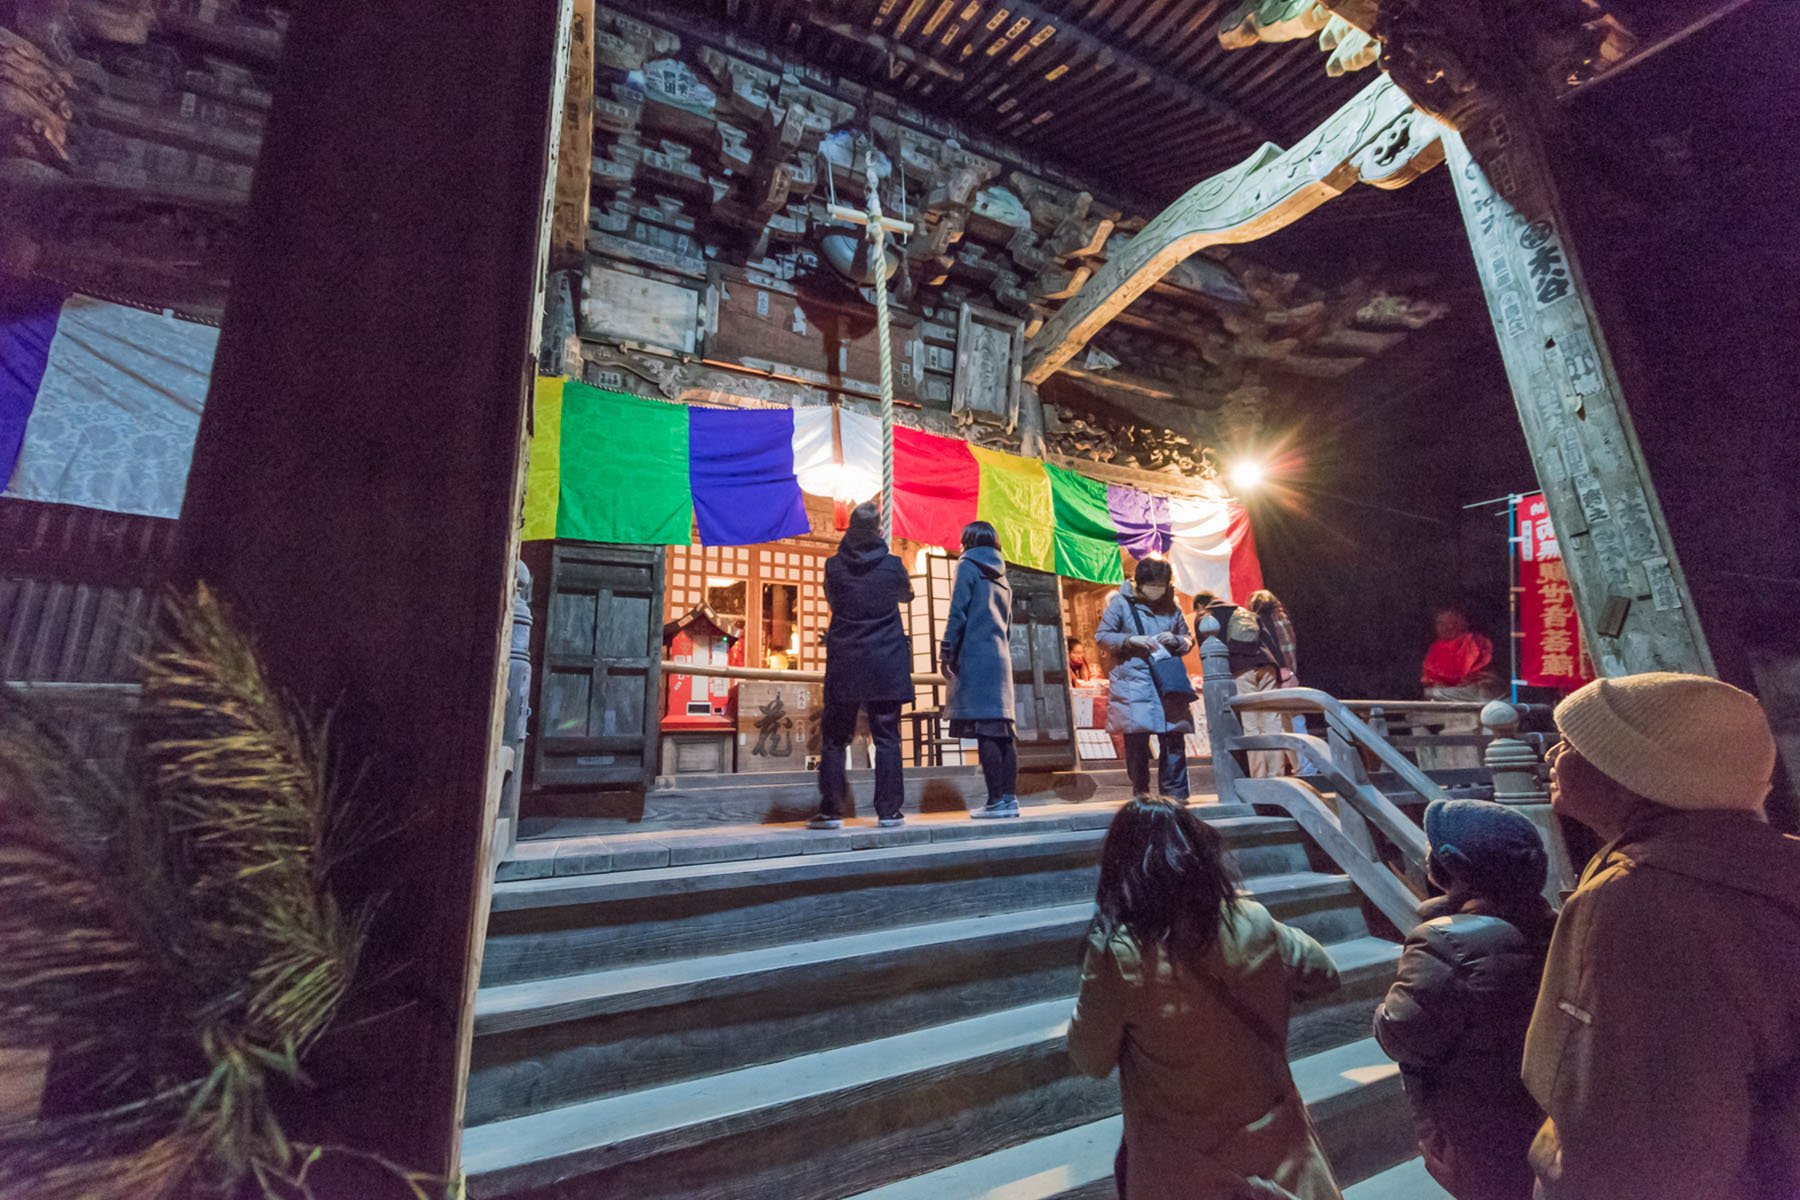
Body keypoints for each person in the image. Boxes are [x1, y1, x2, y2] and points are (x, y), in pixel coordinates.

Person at [1524, 672, 1800, 1200]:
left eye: (1573, 743)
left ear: (1632, 774)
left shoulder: (1636, 900)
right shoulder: (1772, 861)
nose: (1554, 757)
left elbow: (1629, 1138)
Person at [1069, 798, 1344, 1200]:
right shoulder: (1252, 920)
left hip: (1184, 1171)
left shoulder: (1120, 954)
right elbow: (1324, 973)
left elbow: (1089, 1058)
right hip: (1283, 1161)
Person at [1373, 800, 1556, 1200]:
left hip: (1478, 1127)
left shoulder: (1443, 941)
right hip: (1545, 1115)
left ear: (1451, 870)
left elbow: (1399, 1033)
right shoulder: (1554, 923)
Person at [809, 501, 913, 830]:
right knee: (887, 737)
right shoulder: (893, 566)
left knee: (835, 738)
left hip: (846, 659)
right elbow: (906, 596)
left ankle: (831, 810)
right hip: (885, 660)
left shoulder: (833, 567)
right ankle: (888, 811)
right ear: (879, 530)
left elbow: (833, 600)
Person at [1096, 560, 1194, 801]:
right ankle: (1141, 793)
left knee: (1173, 738)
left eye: (1160, 584)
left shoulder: (1174, 606)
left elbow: (1188, 640)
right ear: (1139, 584)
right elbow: (1102, 636)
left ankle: (1175, 797)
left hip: (1167, 682)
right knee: (1136, 740)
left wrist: (1175, 640)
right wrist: (1131, 640)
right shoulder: (1120, 603)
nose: (1156, 589)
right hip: (1134, 680)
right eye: (1151, 584)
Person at [940, 520, 1018, 820]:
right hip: (1000, 656)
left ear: (967, 540)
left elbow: (957, 610)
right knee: (1003, 729)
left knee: (986, 730)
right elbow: (1008, 624)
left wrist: (947, 649)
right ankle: (1009, 799)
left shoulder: (967, 565)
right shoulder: (1003, 575)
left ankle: (995, 800)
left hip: (975, 655)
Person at [1194, 588, 1286, 778]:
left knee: (1251, 724)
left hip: (1242, 669)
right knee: (1272, 721)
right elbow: (1269, 641)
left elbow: (1208, 652)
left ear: (1200, 605)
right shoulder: (1242, 611)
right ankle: (1278, 775)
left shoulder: (1205, 616)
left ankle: (1259, 777)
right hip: (1267, 667)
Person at [1418, 607, 1503, 770]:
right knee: (1431, 693)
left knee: (1484, 692)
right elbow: (1431, 678)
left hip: (1474, 690)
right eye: (1440, 623)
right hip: (1450, 692)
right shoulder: (1436, 648)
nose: (1445, 627)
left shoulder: (1474, 641)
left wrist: (1472, 678)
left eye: (1449, 622)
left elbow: (1482, 671)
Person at [1248, 588, 1303, 773]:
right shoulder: (1282, 619)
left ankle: (1296, 766)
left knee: (1276, 722)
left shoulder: (1253, 621)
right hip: (1285, 673)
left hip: (1270, 673)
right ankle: (1301, 766)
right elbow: (1289, 649)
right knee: (1290, 720)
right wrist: (1291, 672)